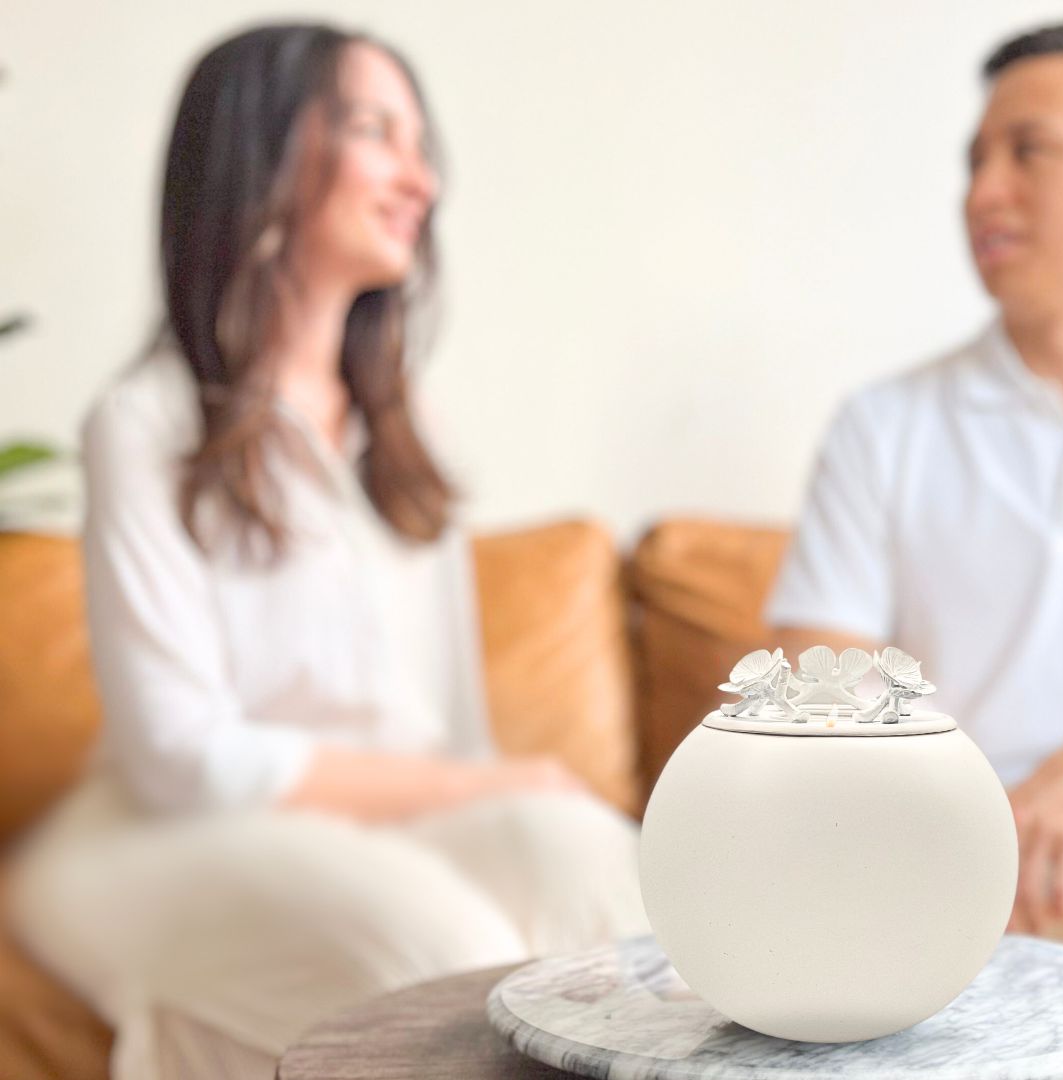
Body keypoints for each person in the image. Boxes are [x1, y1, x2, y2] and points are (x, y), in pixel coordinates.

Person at [8, 23, 647, 1080]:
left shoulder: (408, 434)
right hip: (172, 833)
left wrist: (501, 792)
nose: (421, 177)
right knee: (454, 969)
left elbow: (456, 739)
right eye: (376, 131)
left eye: (420, 140)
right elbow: (182, 761)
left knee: (606, 879)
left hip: (399, 815)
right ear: (261, 157)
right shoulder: (145, 424)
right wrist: (475, 789)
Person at [767, 23, 1063, 939]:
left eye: (1029, 152)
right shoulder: (885, 427)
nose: (983, 193)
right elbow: (814, 696)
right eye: (975, 160)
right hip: (952, 852)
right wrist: (985, 824)